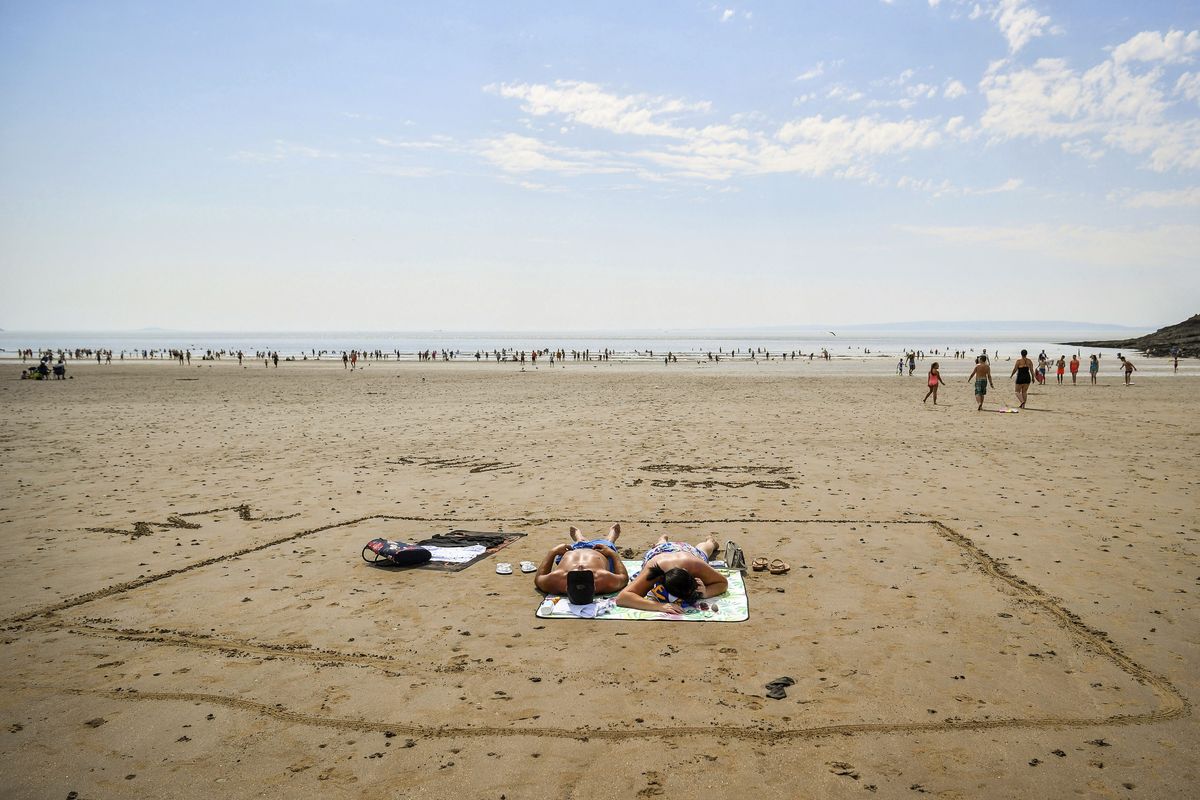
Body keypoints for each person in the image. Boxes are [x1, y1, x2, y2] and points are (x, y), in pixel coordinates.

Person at [615, 534, 727, 615]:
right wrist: (659, 606)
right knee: (660, 546)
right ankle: (662, 541)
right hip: (659, 552)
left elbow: (723, 583)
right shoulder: (653, 571)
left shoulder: (695, 565)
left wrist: (706, 592)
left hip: (687, 552)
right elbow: (622, 598)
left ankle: (710, 542)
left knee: (703, 552)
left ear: (688, 572)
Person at [533, 524, 629, 597]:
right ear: (595, 586)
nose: (580, 567)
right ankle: (611, 537)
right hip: (601, 551)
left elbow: (539, 579)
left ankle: (579, 539)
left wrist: (553, 552)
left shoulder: (557, 580)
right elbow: (624, 578)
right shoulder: (603, 579)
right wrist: (612, 553)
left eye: (574, 573)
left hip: (572, 550)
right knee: (608, 543)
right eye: (586, 572)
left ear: (566, 587)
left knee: (579, 542)